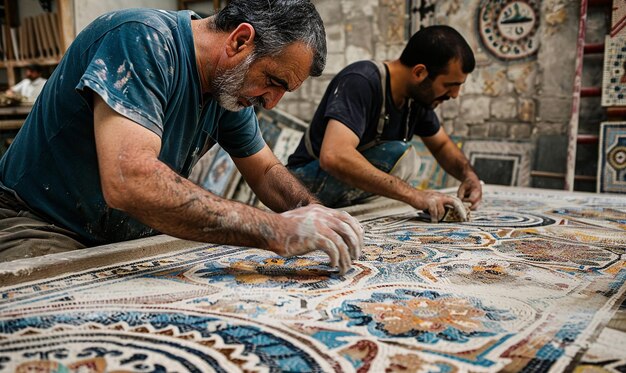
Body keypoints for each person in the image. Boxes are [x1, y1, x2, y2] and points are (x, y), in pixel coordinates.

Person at [0, 0, 363, 274]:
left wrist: (310, 211)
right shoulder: (140, 38)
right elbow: (129, 181)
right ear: (240, 41)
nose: (271, 102)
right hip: (38, 221)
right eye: (273, 82)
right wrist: (276, 229)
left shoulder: (228, 89)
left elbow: (266, 171)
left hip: (122, 234)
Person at [287, 25, 482, 222]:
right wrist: (416, 196)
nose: (454, 95)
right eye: (450, 85)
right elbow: (334, 156)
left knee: (404, 160)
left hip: (341, 191)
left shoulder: (417, 99)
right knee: (401, 154)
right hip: (300, 186)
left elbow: (441, 145)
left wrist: (469, 176)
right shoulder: (361, 80)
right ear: (420, 72)